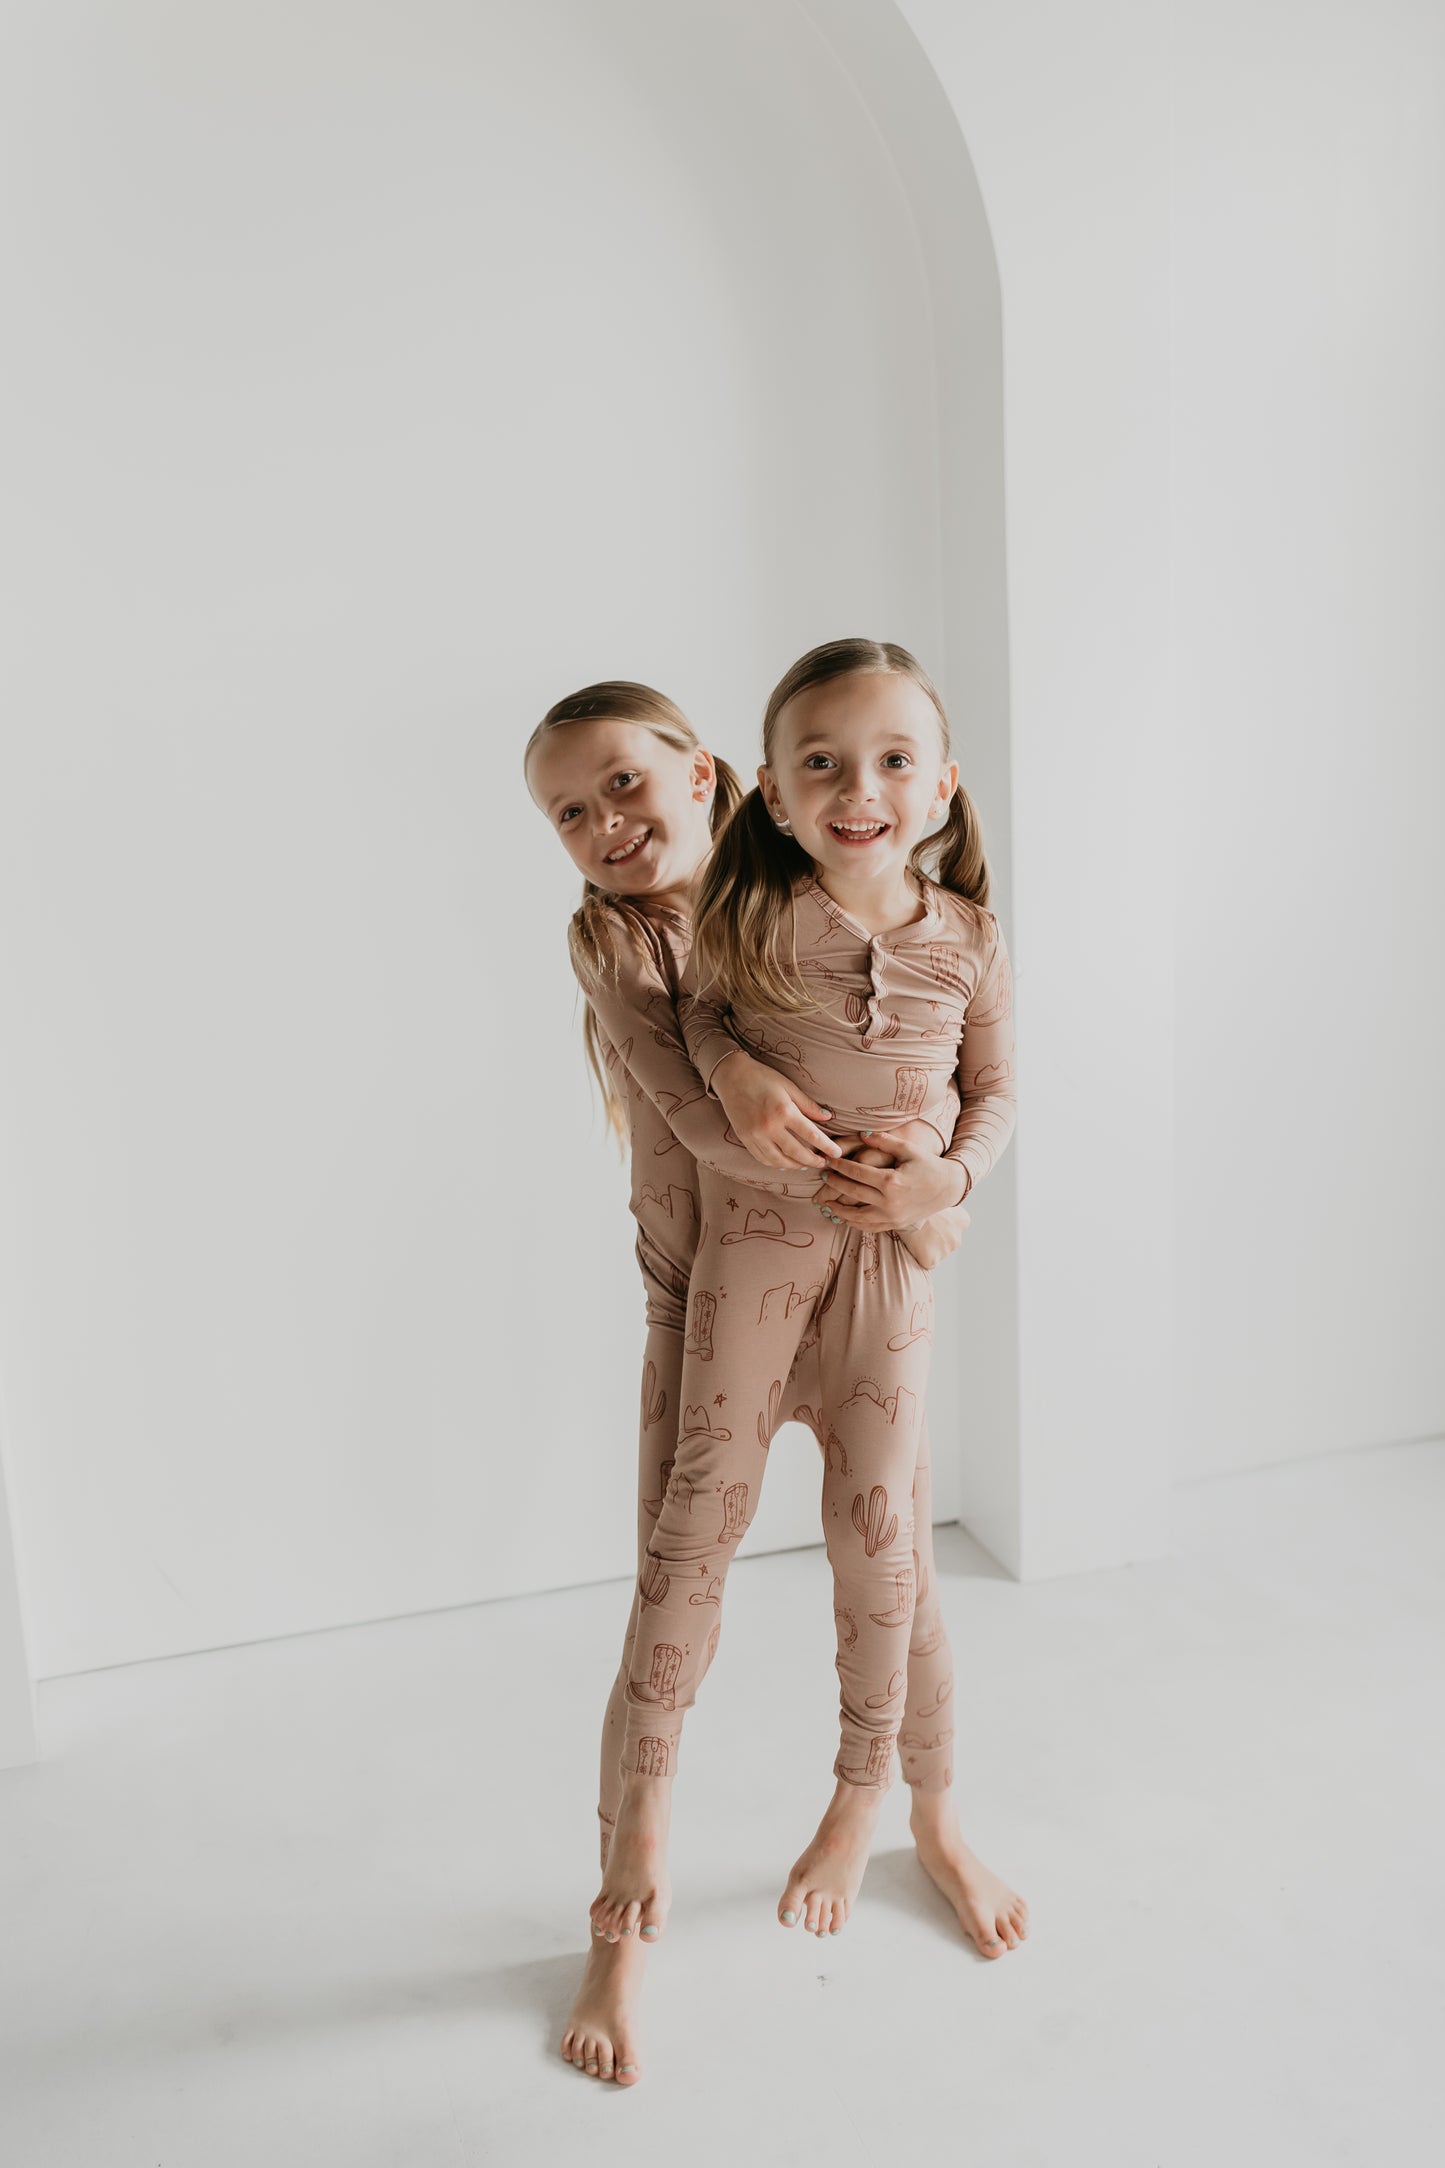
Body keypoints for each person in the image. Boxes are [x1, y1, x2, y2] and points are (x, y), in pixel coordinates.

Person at [523, 662, 1023, 2087]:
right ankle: (626, 1906)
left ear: (705, 776)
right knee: (676, 1572)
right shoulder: (630, 950)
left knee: (895, 1563)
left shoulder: (807, 892)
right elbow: (712, 1114)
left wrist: (937, 1188)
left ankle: (925, 1812)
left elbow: (946, 1072)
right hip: (710, 1305)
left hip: (867, 1282)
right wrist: (783, 1105)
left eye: (625, 779)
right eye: (570, 810)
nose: (607, 820)